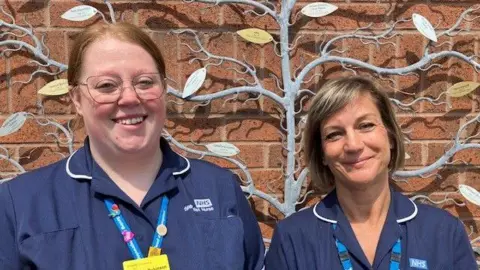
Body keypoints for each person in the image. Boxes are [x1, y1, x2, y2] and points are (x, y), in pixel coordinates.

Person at [0, 22, 264, 270]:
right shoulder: (20, 204)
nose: (129, 97)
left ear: (163, 89)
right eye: (106, 85)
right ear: (77, 99)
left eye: (145, 82)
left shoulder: (220, 189)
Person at [265, 76, 476, 270]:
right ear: (322, 154)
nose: (353, 145)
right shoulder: (292, 239)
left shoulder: (444, 232)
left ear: (391, 137)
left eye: (365, 125)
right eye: (334, 134)